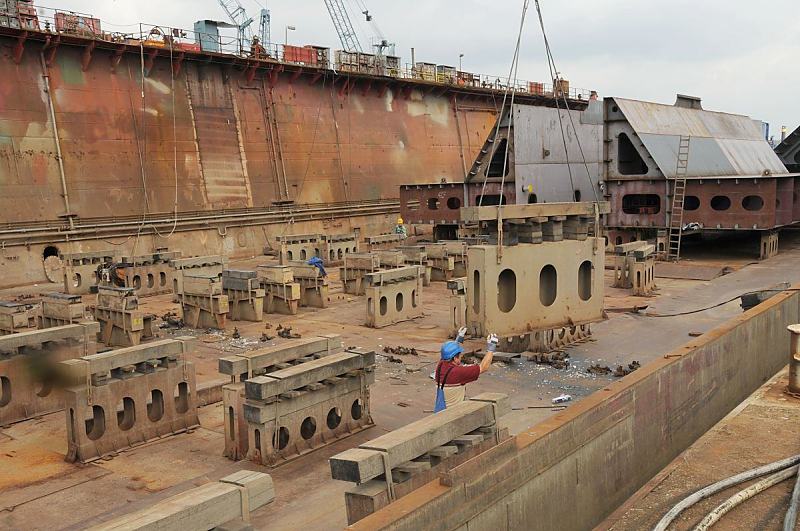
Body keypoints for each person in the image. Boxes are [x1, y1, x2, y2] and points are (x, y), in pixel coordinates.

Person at [433, 327, 498, 412]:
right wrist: (491, 348)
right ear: (454, 358)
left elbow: (448, 352)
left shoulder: (441, 365)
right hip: (453, 415)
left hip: (441, 410)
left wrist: (458, 340)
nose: (461, 356)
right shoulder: (458, 373)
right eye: (460, 355)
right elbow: (483, 367)